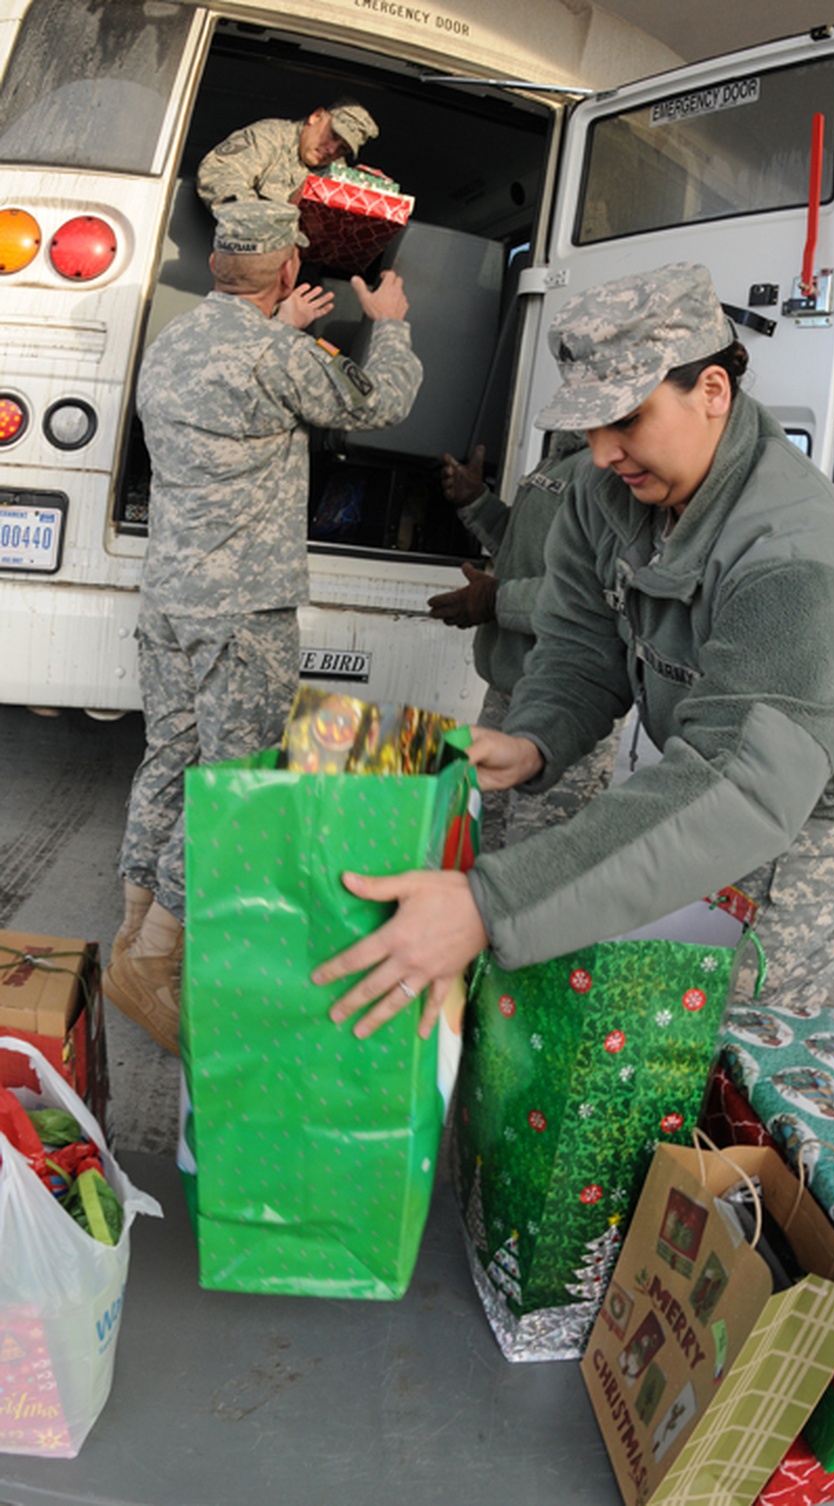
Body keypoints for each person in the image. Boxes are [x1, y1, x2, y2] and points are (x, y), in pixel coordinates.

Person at [309, 260, 834, 1042]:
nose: (604, 452)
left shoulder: (801, 560)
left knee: (728, 1028)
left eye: (626, 419)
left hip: (821, 808)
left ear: (712, 391)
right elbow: (580, 641)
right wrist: (536, 736)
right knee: (640, 995)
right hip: (718, 762)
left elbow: (740, 788)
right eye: (590, 427)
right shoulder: (606, 496)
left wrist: (489, 903)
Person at [104, 199, 422, 1056]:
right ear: (287, 273)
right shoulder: (280, 356)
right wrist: (385, 325)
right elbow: (381, 402)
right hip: (241, 609)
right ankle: (156, 961)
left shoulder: (174, 341)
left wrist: (280, 329)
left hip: (168, 596)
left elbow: (241, 380)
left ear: (216, 269)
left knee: (169, 755)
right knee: (234, 779)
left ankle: (131, 935)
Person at [427, 433, 625, 852]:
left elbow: (598, 598)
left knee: (536, 861)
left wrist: (496, 600)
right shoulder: (561, 456)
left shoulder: (613, 468)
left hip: (566, 701)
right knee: (481, 845)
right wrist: (476, 503)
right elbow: (528, 555)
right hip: (507, 693)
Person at [196, 100, 379, 212]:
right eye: (333, 135)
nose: (332, 150)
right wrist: (257, 221)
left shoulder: (338, 174)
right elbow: (218, 172)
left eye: (343, 149)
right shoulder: (271, 136)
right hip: (244, 256)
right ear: (316, 117)